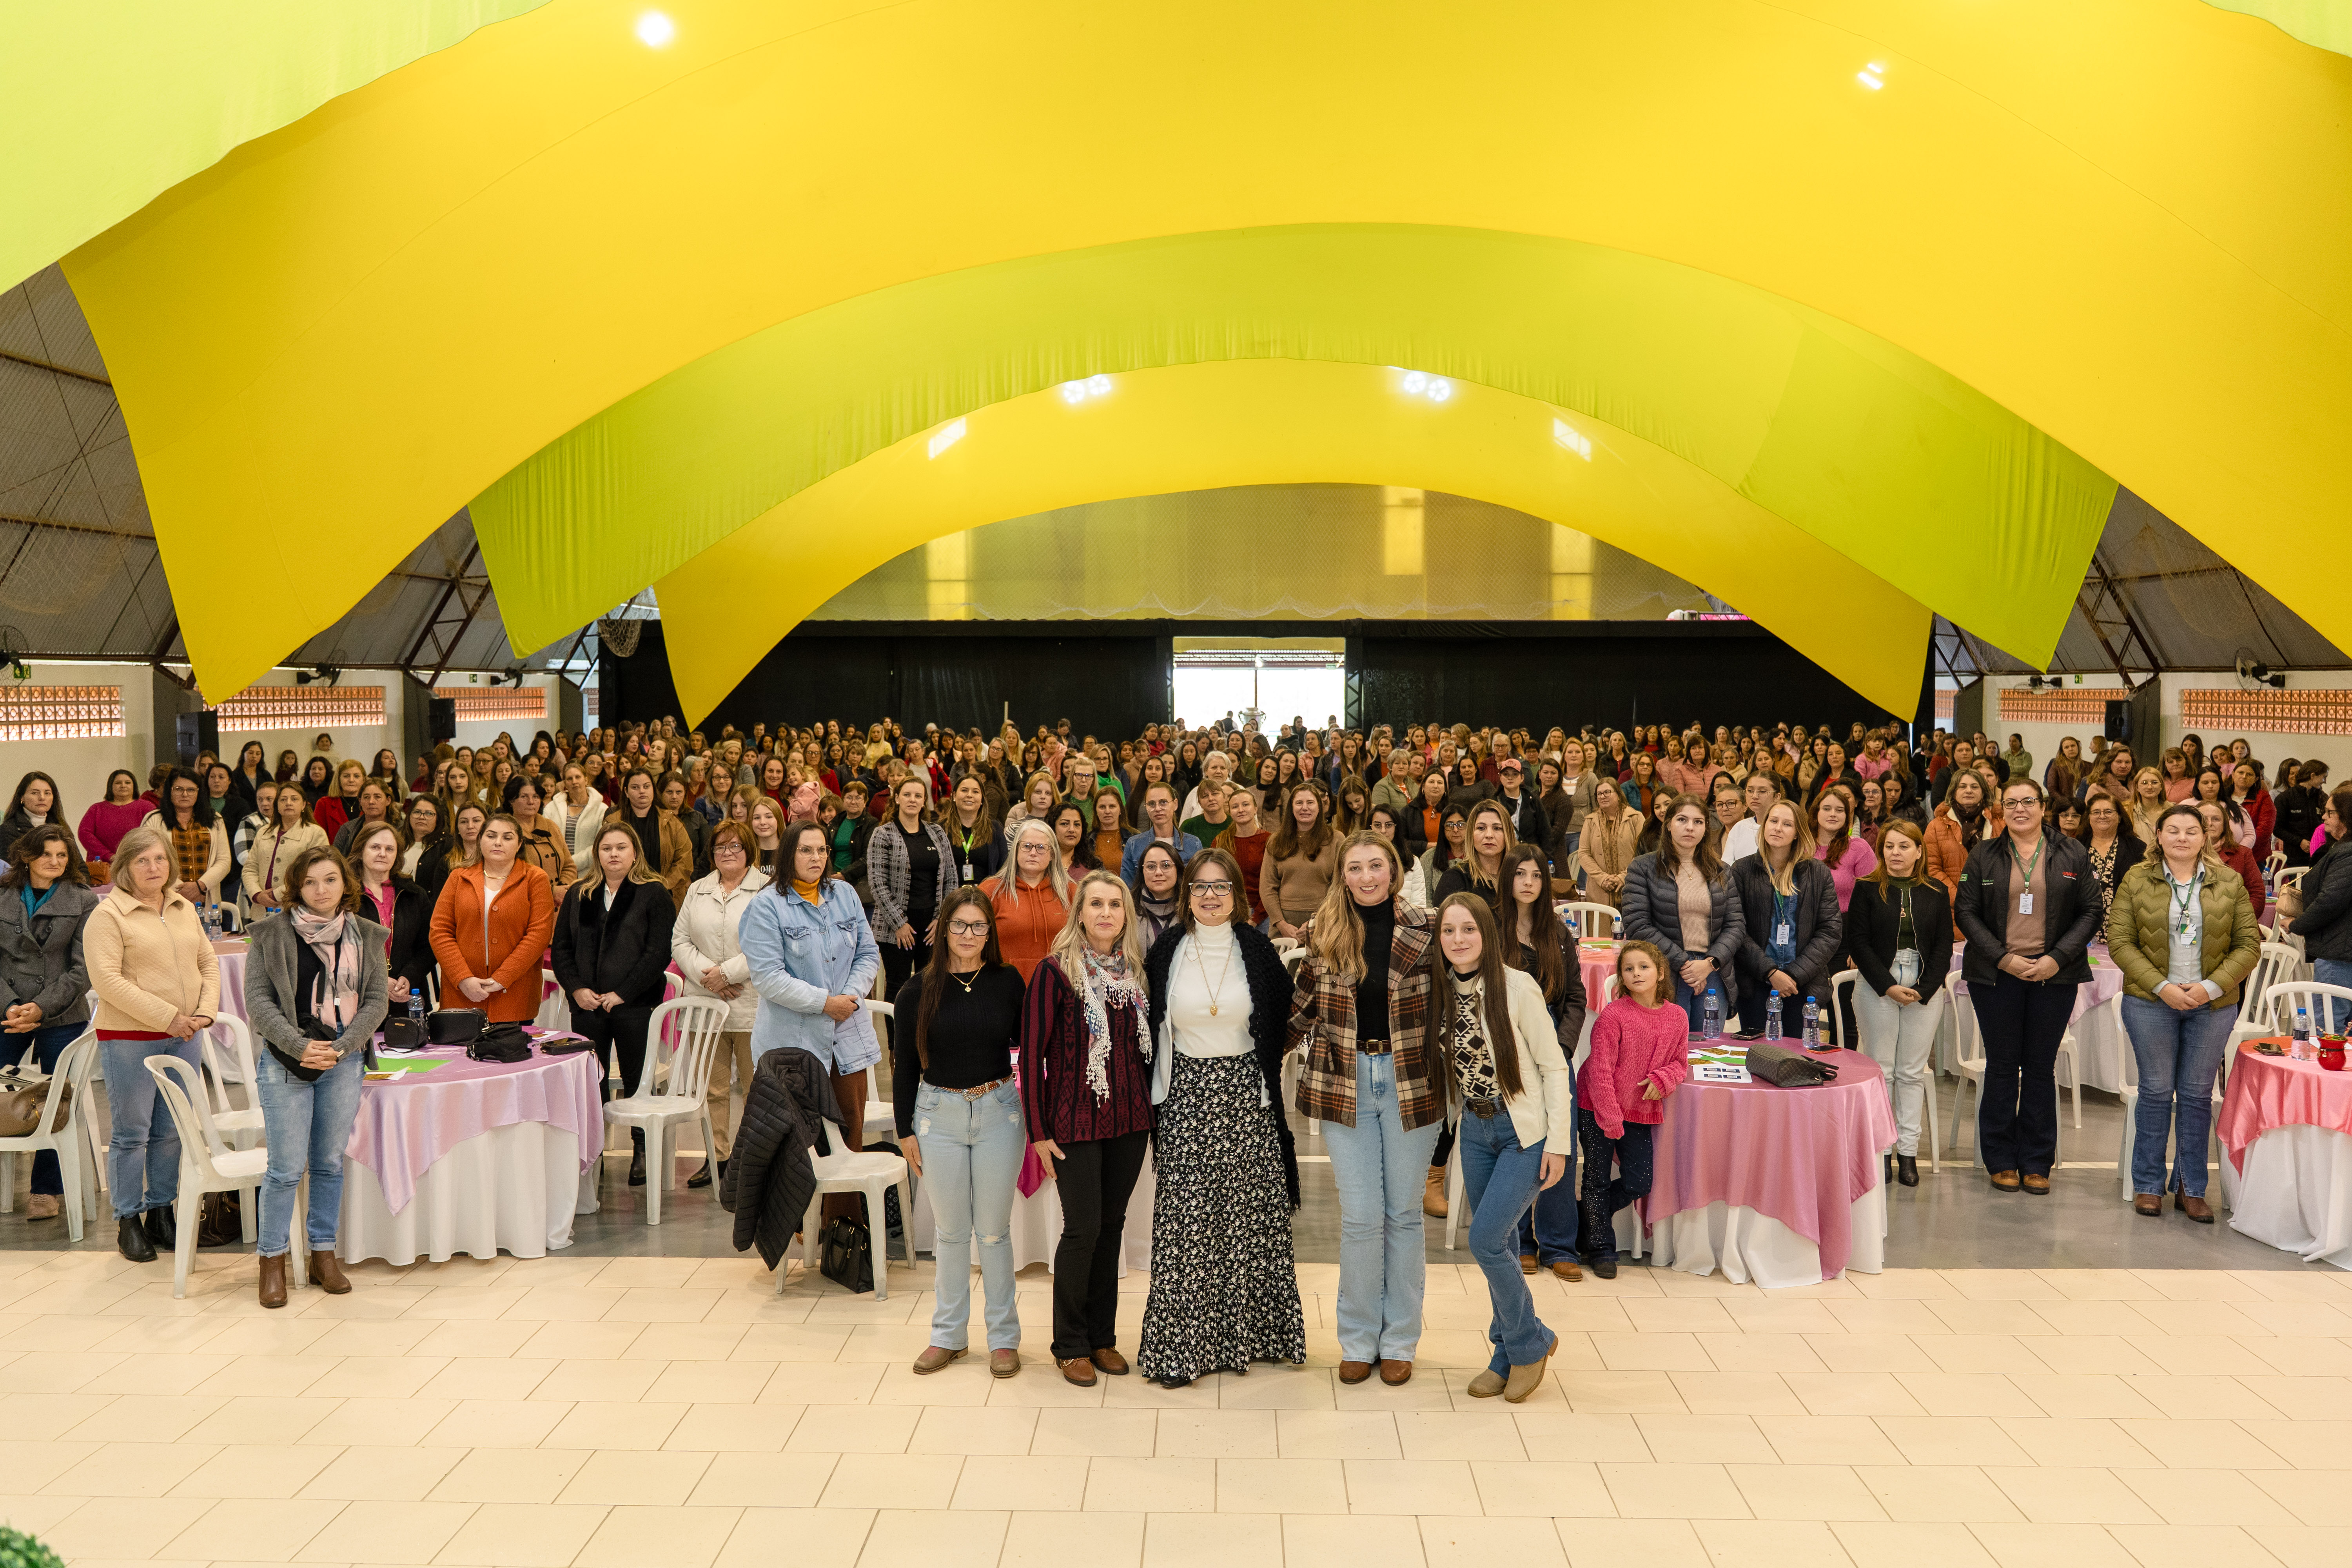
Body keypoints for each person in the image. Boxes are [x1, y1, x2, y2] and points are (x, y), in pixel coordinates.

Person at [1136, 849, 1304, 1387]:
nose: (1210, 896)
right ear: (1186, 896)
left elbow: (1284, 1019)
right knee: (1188, 1224)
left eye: (1221, 887)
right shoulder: (1166, 951)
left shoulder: (1256, 949)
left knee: (1248, 1220)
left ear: (1238, 895)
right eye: (1201, 887)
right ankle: (1183, 1347)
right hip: (1185, 1094)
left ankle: (1257, 1336)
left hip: (1246, 1100)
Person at [1287, 831, 1441, 1386]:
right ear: (1343, 875)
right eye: (1356, 868)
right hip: (1342, 1082)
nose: (1368, 877)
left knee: (1402, 1215)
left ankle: (1399, 1339)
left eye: (1377, 866)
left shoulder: (1428, 930)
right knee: (1359, 1218)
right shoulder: (1324, 933)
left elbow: (1457, 1004)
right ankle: (1357, 1339)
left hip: (1412, 1082)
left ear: (1395, 871)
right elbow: (1299, 1012)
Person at [1424, 892, 1571, 1399]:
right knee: (1502, 1246)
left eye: (1468, 929)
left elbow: (1555, 1066)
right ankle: (1507, 1354)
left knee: (1485, 1241)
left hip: (1522, 1132)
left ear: (1486, 934)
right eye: (1448, 931)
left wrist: (1558, 1142)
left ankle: (1529, 1343)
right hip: (1476, 1130)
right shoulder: (1441, 988)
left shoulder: (1517, 986)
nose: (1458, 940)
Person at [1020, 869, 1154, 1387]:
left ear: (1126, 916)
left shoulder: (1135, 974)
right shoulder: (1055, 973)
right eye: (1094, 904)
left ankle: (1102, 1338)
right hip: (1073, 1121)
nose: (1105, 913)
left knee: (1113, 1228)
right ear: (1079, 914)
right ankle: (1070, 1344)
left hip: (1129, 1120)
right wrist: (1038, 1132)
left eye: (1114, 905)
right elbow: (1032, 1059)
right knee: (1082, 1229)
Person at [890, 886, 1027, 1378]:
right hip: (937, 1116)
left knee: (993, 1232)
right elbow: (904, 1065)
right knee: (951, 1234)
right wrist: (906, 1129)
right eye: (959, 925)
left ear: (990, 933)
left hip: (999, 1113)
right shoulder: (915, 991)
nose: (968, 935)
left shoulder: (1008, 982)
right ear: (943, 928)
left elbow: (1033, 1048)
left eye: (978, 926)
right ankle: (948, 1336)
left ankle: (1004, 1339)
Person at [241, 844, 387, 1305]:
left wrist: (343, 1047)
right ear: (295, 888)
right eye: (310, 882)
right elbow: (258, 1003)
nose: (320, 890)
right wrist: (301, 1046)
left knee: (328, 1163)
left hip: (343, 1063)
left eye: (329, 879)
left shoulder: (367, 934)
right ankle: (272, 1261)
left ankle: (324, 1253)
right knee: (285, 1169)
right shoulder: (271, 933)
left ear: (345, 883)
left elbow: (377, 1001)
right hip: (287, 1063)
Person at [2109, 802, 2260, 1223]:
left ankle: (2192, 1187)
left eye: (2191, 831)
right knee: (2156, 1091)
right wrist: (2164, 987)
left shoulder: (2228, 882)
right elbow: (2120, 941)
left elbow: (2249, 945)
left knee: (2196, 1095)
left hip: (2212, 1005)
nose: (2181, 838)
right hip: (2151, 1000)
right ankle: (2149, 1185)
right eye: (2172, 830)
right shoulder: (2137, 880)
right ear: (2158, 836)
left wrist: (2211, 987)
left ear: (2205, 837)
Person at [1956, 779, 2099, 1196]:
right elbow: (1965, 911)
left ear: (2043, 807)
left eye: (2028, 802)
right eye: (2011, 803)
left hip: (2055, 974)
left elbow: (2091, 910)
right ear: (2002, 809)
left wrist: (2056, 958)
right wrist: (2004, 958)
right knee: (2002, 1066)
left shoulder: (2072, 852)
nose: (2020, 809)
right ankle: (2000, 1158)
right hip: (1997, 974)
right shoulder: (1984, 854)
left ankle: (2037, 1160)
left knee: (2040, 1067)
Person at [84, 825, 219, 1262]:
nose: (153, 867)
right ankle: (128, 1219)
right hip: (130, 1038)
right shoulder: (108, 915)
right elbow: (107, 981)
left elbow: (208, 962)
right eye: (142, 860)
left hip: (184, 1035)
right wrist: (169, 1017)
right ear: (124, 867)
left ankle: (162, 1210)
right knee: (132, 1132)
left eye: (160, 859)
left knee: (171, 1131)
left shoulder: (183, 906)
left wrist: (204, 1013)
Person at [739, 820, 884, 1185]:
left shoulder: (845, 895)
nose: (817, 857)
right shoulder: (766, 907)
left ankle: (844, 1230)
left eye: (822, 850)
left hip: (846, 1039)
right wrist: (825, 1004)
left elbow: (868, 953)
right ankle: (805, 1227)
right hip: (794, 1046)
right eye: (806, 850)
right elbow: (769, 978)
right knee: (801, 1147)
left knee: (850, 1141)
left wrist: (847, 998)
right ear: (789, 854)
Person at [554, 821, 680, 1187]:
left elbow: (659, 952)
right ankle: (595, 1152)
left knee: (637, 1077)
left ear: (634, 853)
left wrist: (623, 992)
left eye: (621, 848)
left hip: (634, 1004)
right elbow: (561, 949)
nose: (613, 854)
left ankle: (641, 1149)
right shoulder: (580, 893)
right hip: (588, 1005)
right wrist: (577, 989)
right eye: (607, 848)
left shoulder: (653, 893)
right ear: (597, 854)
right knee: (592, 1080)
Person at [0, 824, 100, 1221]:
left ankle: (45, 1187)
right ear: (27, 856)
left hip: (61, 1011)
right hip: (6, 1009)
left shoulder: (85, 900)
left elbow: (84, 969)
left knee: (57, 1095)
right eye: (47, 856)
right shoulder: (3, 894)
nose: (56, 863)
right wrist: (10, 1005)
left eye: (62, 856)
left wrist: (40, 1008)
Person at [1845, 819, 1952, 1187]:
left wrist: (1926, 988)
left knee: (1910, 1072)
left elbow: (1942, 946)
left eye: (1904, 847)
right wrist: (1888, 986)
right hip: (1879, 983)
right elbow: (1858, 942)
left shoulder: (1936, 891)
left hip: (1924, 985)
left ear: (1919, 851)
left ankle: (1908, 1153)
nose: (1896, 854)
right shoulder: (1867, 889)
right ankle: (1883, 1153)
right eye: (1889, 847)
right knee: (1882, 1070)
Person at [1497, 846, 1587, 1278]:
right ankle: (1523, 1241)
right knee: (1519, 1142)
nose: (1529, 882)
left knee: (1560, 1139)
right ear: (1508, 879)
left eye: (1537, 875)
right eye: (1521, 874)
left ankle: (1559, 1244)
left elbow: (1575, 997)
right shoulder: (1493, 929)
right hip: (1508, 1043)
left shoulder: (1558, 931)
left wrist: (1563, 1050)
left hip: (1553, 1042)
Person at [1575, 940, 1688, 1278]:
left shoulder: (1677, 1016)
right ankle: (1601, 1247)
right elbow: (1599, 1070)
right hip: (1597, 1106)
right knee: (1595, 1179)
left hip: (1638, 1111)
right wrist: (1608, 1117)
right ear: (1621, 978)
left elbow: (1680, 1063)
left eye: (1644, 967)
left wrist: (1664, 1078)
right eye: (1628, 969)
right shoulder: (1614, 1015)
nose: (1636, 973)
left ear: (1660, 973)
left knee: (1640, 1181)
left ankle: (1588, 1216)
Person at [673, 820, 770, 1189]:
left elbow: (767, 944)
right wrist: (707, 976)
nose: (728, 853)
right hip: (706, 1003)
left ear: (749, 851)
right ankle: (719, 1157)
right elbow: (680, 941)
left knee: (754, 1088)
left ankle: (752, 1160)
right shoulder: (698, 889)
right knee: (712, 1090)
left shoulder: (767, 890)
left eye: (735, 847)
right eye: (720, 848)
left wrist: (727, 975)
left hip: (751, 1002)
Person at [1621, 793, 1744, 1031]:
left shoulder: (1722, 871)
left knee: (1706, 1052)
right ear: (1668, 825)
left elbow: (1736, 925)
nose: (1690, 827)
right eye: (1682, 820)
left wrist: (1709, 963)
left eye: (1698, 822)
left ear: (1706, 828)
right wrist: (1686, 964)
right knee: (1666, 1050)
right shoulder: (1643, 867)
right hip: (1664, 972)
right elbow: (1637, 924)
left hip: (1712, 973)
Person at [428, 813, 559, 1026]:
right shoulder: (458, 877)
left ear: (519, 844)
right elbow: (439, 931)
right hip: (462, 996)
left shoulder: (535, 878)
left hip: (516, 995)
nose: (498, 842)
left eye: (508, 838)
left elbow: (539, 935)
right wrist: (463, 979)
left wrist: (502, 978)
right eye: (491, 836)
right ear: (480, 841)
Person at [1728, 800, 1841, 1038]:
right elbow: (1736, 928)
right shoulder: (1742, 870)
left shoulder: (1818, 873)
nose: (1778, 828)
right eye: (1774, 821)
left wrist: (1792, 975)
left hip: (1802, 985)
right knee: (1758, 1057)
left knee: (1797, 1061)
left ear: (1798, 833)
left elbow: (1830, 931)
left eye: (1787, 824)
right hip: (1756, 984)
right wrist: (1771, 973)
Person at [869, 775, 964, 1001]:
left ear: (925, 802)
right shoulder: (883, 834)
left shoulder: (937, 833)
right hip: (897, 928)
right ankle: (897, 1038)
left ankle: (923, 1037)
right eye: (908, 795)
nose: (913, 800)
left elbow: (951, 879)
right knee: (898, 988)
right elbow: (877, 883)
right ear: (898, 799)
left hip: (932, 926)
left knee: (930, 986)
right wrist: (900, 924)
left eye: (918, 796)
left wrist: (942, 918)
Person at [346, 821, 434, 1007]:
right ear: (360, 851)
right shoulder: (344, 896)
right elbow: (340, 951)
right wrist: (378, 980)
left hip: (409, 997)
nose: (383, 854)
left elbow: (429, 947)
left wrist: (408, 977)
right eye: (375, 847)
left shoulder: (414, 894)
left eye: (390, 849)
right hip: (360, 1000)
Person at [983, 817, 1070, 980]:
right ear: (1016, 850)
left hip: (1060, 987)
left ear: (1052, 854)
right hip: (1005, 987)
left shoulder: (1070, 892)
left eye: (1041, 848)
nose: (1033, 853)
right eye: (1027, 846)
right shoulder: (991, 891)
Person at [145, 768, 230, 913]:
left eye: (191, 790)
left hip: (206, 897)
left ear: (199, 792)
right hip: (167, 896)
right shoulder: (154, 821)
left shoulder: (215, 820)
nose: (185, 794)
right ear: (169, 792)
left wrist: (200, 886)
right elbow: (150, 861)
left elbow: (224, 860)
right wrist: (180, 890)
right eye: (179, 789)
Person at [1262, 780, 1339, 940]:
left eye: (1310, 803)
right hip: (1283, 925)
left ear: (1320, 807)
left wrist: (1318, 920)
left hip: (1325, 922)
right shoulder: (1276, 841)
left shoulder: (1336, 839)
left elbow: (1338, 886)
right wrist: (1281, 924)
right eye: (1299, 803)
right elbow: (1267, 887)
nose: (1305, 808)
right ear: (1291, 808)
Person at [609, 766, 693, 907]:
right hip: (622, 897)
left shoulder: (672, 822)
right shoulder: (613, 823)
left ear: (654, 790)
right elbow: (605, 859)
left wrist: (662, 887)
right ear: (626, 792)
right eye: (635, 788)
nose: (642, 791)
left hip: (664, 896)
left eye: (646, 787)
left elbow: (684, 862)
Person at [243, 783, 327, 921]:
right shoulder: (264, 832)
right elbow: (250, 868)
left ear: (304, 805)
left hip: (299, 909)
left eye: (294, 799)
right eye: (283, 800)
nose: (288, 803)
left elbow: (312, 873)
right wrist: (257, 895)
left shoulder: (315, 833)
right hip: (261, 909)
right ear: (277, 805)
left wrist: (276, 895)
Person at [1925, 768, 1992, 909]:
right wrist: (1960, 899)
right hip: (1952, 909)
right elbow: (1932, 869)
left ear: (1983, 792)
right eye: (1962, 787)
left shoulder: (1999, 823)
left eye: (1975, 787)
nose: (1969, 791)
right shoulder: (1936, 827)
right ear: (1953, 792)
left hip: (1992, 907)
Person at [1434, 799, 1515, 911]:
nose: (1489, 835)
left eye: (1497, 828)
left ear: (1508, 834)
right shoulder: (1454, 879)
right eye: (1481, 828)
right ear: (1471, 834)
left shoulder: (1519, 877)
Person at [1575, 776, 1644, 909]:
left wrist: (1623, 877)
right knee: (1600, 930)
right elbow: (1584, 854)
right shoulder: (1590, 821)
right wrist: (1603, 878)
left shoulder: (1636, 818)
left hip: (1631, 886)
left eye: (1607, 792)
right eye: (1599, 794)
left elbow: (1642, 853)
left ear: (1618, 795)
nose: (1602, 797)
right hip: (1599, 889)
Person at [2196, 800, 2267, 927]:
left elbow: (2257, 894)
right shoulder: (2184, 855)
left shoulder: (2242, 854)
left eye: (2216, 819)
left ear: (2225, 825)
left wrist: (2234, 922)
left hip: (2236, 925)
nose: (2210, 824)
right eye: (2204, 819)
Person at [2079, 792, 2145, 920]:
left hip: (2125, 921)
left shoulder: (2137, 848)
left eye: (2108, 812)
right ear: (2089, 817)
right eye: (2096, 812)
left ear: (2120, 817)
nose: (2102, 816)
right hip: (2086, 922)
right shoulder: (2077, 848)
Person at [508, 777, 580, 893]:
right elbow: (511, 874)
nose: (531, 802)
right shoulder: (506, 830)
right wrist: (551, 891)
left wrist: (563, 888)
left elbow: (569, 866)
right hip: (527, 900)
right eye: (524, 797)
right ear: (511, 801)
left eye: (536, 797)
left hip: (560, 901)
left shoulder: (551, 826)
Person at [1813, 786, 1878, 911]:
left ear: (1846, 816)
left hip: (1847, 924)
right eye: (1827, 809)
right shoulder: (1802, 848)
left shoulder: (1859, 848)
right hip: (1805, 924)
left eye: (1840, 810)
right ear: (1816, 813)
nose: (1833, 814)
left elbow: (1873, 896)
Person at [1218, 784, 1272, 925]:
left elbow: (1273, 885)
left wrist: (1255, 919)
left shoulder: (1269, 841)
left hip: (1263, 913)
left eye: (1246, 805)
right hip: (1228, 912)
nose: (1241, 810)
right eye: (1235, 807)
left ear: (1255, 809)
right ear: (1230, 811)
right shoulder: (1220, 840)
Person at [942, 774, 1005, 885]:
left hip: (985, 897)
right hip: (950, 897)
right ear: (954, 796)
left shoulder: (995, 829)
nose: (970, 795)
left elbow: (1004, 868)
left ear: (982, 799)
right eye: (965, 790)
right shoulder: (941, 829)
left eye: (976, 792)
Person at [1, 771, 63, 848]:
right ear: (22, 797)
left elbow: (76, 859)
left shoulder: (61, 827)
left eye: (47, 793)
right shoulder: (9, 830)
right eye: (35, 793)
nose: (42, 798)